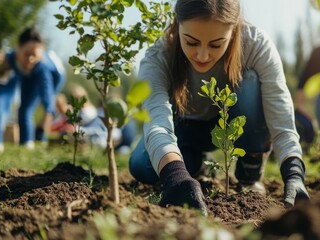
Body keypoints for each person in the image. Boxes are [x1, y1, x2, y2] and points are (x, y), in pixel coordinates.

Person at [129, 0, 310, 215]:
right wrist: (175, 176)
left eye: (216, 44)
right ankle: (196, 165)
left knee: (250, 79)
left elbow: (281, 116)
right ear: (178, 25)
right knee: (142, 166)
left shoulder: (255, 44)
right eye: (191, 42)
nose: (203, 55)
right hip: (184, 126)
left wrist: (294, 175)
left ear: (233, 31)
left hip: (233, 121)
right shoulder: (159, 55)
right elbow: (156, 122)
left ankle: (249, 172)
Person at [0, 27, 66, 150]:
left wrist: (48, 110)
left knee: (27, 109)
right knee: (0, 103)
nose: (30, 59)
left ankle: (32, 142)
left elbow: (46, 91)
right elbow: (2, 86)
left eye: (34, 55)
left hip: (55, 78)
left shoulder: (42, 67)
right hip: (27, 75)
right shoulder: (10, 58)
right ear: (18, 48)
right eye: (27, 54)